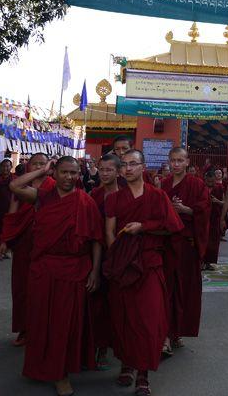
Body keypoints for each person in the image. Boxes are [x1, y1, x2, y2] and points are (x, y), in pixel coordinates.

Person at [10, 156, 103, 396]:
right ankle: (42, 367)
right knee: (41, 321)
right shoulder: (43, 198)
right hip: (43, 268)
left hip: (74, 269)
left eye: (74, 173)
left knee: (63, 324)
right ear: (55, 173)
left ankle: (60, 374)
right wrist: (44, 168)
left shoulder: (85, 201)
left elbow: (95, 240)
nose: (69, 177)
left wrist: (94, 271)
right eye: (64, 172)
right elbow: (15, 186)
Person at [105, 149, 183, 396]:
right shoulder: (114, 199)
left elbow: (171, 228)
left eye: (133, 164)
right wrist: (116, 259)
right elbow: (109, 232)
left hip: (149, 264)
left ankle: (143, 374)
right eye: (124, 165)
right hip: (123, 265)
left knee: (149, 321)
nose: (128, 169)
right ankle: (127, 365)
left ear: (143, 167)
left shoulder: (157, 196)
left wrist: (144, 227)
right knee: (124, 318)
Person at [0, 153, 55, 347]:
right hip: (24, 242)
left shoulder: (54, 185)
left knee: (43, 289)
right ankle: (24, 329)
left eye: (43, 163)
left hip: (46, 243)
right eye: (36, 164)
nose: (40, 167)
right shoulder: (21, 186)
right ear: (29, 166)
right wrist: (5, 240)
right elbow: (12, 214)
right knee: (22, 286)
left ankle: (42, 328)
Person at [161, 147, 210, 354]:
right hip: (167, 244)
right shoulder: (163, 184)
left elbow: (205, 210)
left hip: (187, 246)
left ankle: (177, 331)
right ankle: (165, 333)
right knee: (167, 289)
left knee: (185, 291)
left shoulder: (196, 184)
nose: (177, 164)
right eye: (173, 161)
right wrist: (170, 209)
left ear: (188, 162)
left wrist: (185, 210)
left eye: (181, 160)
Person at [88, 154, 122, 369]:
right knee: (98, 303)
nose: (105, 173)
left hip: (123, 254)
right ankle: (99, 346)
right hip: (99, 254)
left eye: (110, 169)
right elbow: (93, 232)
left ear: (118, 172)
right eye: (102, 169)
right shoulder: (94, 195)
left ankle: (118, 346)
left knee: (118, 303)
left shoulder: (127, 195)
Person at [203, 170, 224, 270]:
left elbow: (225, 203)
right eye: (208, 182)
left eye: (212, 182)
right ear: (205, 180)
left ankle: (209, 262)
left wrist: (217, 201)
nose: (210, 184)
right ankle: (202, 261)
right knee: (203, 240)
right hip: (203, 218)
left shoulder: (219, 188)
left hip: (215, 218)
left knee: (213, 242)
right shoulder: (201, 188)